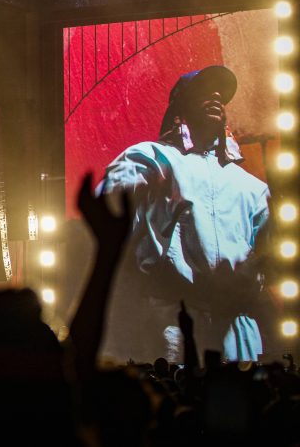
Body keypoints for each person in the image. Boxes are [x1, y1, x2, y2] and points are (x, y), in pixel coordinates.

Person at [98, 65, 270, 362]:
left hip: (236, 327)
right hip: (175, 322)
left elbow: (267, 256)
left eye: (221, 94)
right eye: (204, 91)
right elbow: (105, 210)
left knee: (241, 391)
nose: (215, 96)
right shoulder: (150, 158)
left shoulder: (253, 188)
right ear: (180, 106)